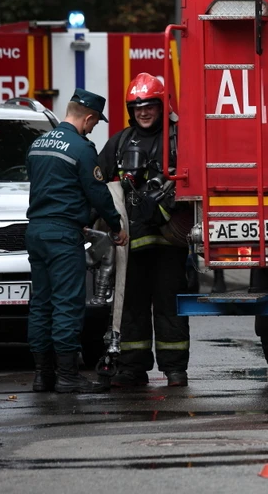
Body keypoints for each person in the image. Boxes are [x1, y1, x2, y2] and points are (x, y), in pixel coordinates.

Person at [26, 89, 128, 394]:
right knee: (67, 305)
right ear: (89, 117)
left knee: (41, 305)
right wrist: (115, 226)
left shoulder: (37, 143)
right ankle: (68, 377)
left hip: (36, 231)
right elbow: (97, 193)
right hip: (62, 235)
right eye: (95, 123)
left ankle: (42, 376)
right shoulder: (82, 148)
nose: (93, 128)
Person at [97, 73, 191, 388]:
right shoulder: (120, 142)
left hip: (169, 245)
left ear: (162, 106)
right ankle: (131, 369)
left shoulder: (180, 140)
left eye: (149, 106)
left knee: (170, 308)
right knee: (130, 308)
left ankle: (175, 369)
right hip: (130, 245)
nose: (143, 113)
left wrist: (167, 202)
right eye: (137, 108)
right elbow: (99, 187)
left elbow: (193, 186)